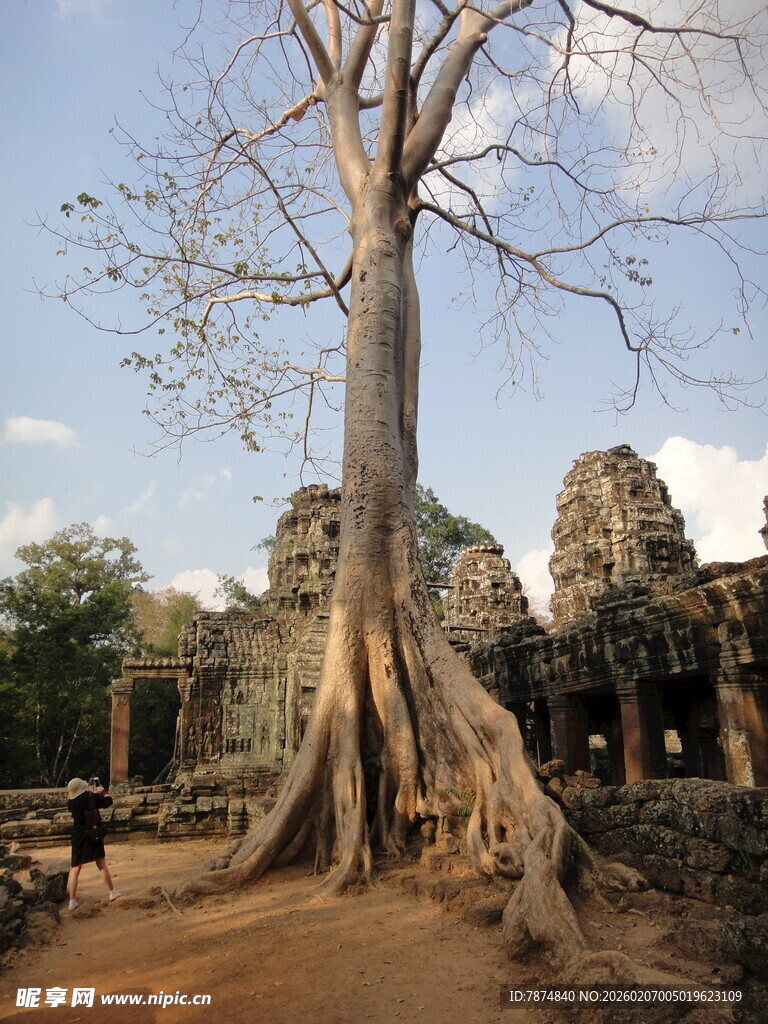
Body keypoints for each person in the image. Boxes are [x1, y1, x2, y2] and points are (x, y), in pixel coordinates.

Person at [66, 777, 121, 910]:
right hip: (92, 832)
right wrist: (102, 792)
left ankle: (72, 901)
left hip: (78, 835)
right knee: (101, 863)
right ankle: (112, 892)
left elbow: (83, 803)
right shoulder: (90, 797)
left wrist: (93, 793)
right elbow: (108, 801)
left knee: (75, 868)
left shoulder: (70, 802)